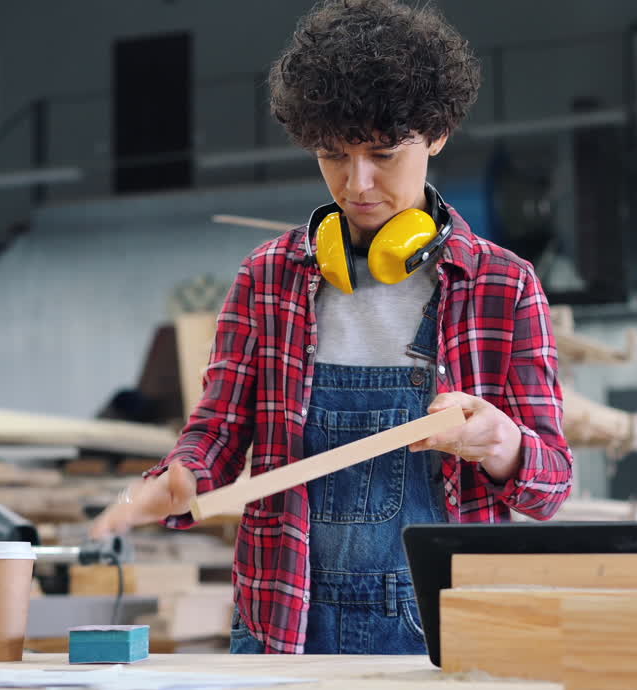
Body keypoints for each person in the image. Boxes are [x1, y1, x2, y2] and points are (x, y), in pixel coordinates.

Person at [91, 0, 572, 655]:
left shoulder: (502, 286)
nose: (358, 183)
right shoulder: (268, 277)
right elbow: (217, 433)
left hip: (447, 630)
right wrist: (181, 478)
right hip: (284, 624)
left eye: (382, 153)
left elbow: (551, 486)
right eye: (332, 155)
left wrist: (499, 442)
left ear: (436, 134)